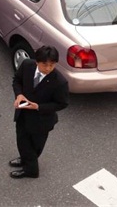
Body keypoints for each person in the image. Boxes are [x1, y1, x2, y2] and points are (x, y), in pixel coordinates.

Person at [9, 45, 69, 178]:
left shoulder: (60, 82)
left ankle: (31, 171)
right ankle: (25, 159)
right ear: (36, 61)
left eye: (52, 65)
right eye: (44, 64)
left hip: (42, 121)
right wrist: (19, 95)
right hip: (23, 114)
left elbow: (62, 104)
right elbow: (17, 80)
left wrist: (38, 107)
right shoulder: (27, 65)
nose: (48, 68)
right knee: (22, 140)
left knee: (35, 146)